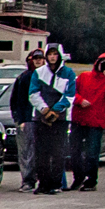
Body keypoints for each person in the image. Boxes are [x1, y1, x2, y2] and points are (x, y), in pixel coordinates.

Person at [69, 54, 105, 191]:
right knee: (75, 151)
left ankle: (91, 180)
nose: (102, 66)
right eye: (101, 63)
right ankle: (78, 178)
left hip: (96, 121)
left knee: (92, 153)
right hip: (79, 119)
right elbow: (71, 92)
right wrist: (80, 101)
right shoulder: (84, 76)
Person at [29, 45, 75, 195]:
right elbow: (33, 93)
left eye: (55, 54)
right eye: (50, 54)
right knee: (41, 153)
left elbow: (70, 95)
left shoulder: (69, 73)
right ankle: (43, 183)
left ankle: (56, 184)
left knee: (57, 152)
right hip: (40, 119)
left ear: (60, 55)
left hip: (60, 120)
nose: (53, 57)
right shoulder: (39, 73)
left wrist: (55, 110)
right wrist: (44, 110)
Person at [11, 50, 44, 190]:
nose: (37, 61)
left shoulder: (48, 77)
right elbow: (17, 101)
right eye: (34, 58)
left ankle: (45, 180)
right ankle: (28, 181)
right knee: (26, 152)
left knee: (43, 151)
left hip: (43, 119)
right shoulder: (23, 78)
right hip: (27, 120)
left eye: (40, 58)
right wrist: (20, 120)